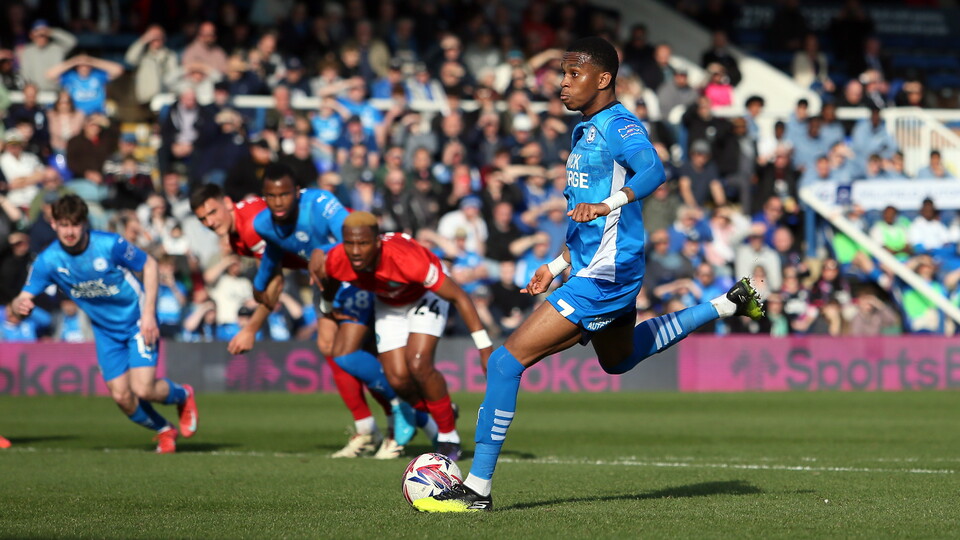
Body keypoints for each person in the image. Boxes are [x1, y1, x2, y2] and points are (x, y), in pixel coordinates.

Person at [414, 37, 763, 513]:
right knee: (618, 360)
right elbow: (584, 219)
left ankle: (477, 490)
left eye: (573, 74)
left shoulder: (619, 124)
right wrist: (556, 265)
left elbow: (654, 170)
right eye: (562, 74)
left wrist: (608, 203)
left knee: (504, 363)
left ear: (603, 79)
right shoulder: (584, 131)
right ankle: (729, 302)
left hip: (607, 273)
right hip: (599, 267)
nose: (562, 84)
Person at [248, 165, 422, 457]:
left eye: (284, 194)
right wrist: (259, 283)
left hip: (354, 276)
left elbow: (349, 233)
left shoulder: (320, 201)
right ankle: (369, 428)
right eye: (271, 196)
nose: (278, 202)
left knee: (348, 352)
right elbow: (275, 249)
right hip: (324, 283)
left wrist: (324, 251)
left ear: (297, 192)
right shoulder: (263, 223)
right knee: (329, 347)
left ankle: (405, 407)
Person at [10, 194, 198, 453]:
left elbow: (150, 265)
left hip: (137, 322)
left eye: (75, 225)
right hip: (105, 331)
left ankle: (183, 395)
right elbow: (21, 299)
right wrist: (19, 306)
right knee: (122, 396)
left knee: (143, 389)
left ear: (84, 223)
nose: (69, 232)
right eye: (63, 225)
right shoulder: (48, 260)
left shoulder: (109, 245)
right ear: (54, 224)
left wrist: (148, 314)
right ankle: (165, 430)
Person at [322, 211, 495, 462]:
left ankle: (449, 438)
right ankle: (445, 410)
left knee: (418, 363)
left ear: (377, 242)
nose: (356, 251)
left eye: (363, 243)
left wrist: (484, 347)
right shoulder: (337, 258)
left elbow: (459, 296)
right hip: (388, 303)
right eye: (350, 243)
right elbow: (331, 281)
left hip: (425, 295)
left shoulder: (407, 260)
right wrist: (327, 307)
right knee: (397, 379)